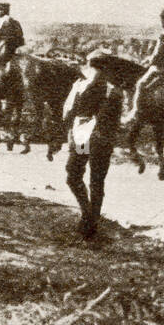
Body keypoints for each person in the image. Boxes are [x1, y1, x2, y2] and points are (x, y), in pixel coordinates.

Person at [62, 48, 124, 240]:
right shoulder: (115, 91)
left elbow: (67, 113)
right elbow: (117, 121)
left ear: (90, 65)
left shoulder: (80, 86)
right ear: (106, 68)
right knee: (97, 181)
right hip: (102, 139)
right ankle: (92, 220)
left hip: (83, 135)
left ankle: (87, 215)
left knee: (73, 175)